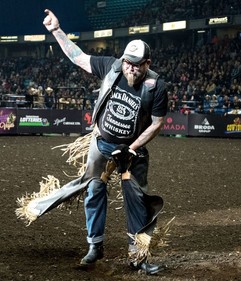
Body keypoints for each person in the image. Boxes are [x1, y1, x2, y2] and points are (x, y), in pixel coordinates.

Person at [43, 9, 168, 274]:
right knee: (94, 192)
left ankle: (139, 257)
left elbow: (157, 123)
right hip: (101, 144)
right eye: (128, 62)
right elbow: (78, 58)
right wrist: (57, 30)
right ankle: (94, 247)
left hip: (132, 153)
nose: (131, 68)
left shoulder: (156, 87)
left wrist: (132, 149)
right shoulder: (111, 67)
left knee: (137, 200)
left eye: (137, 64)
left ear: (148, 63)